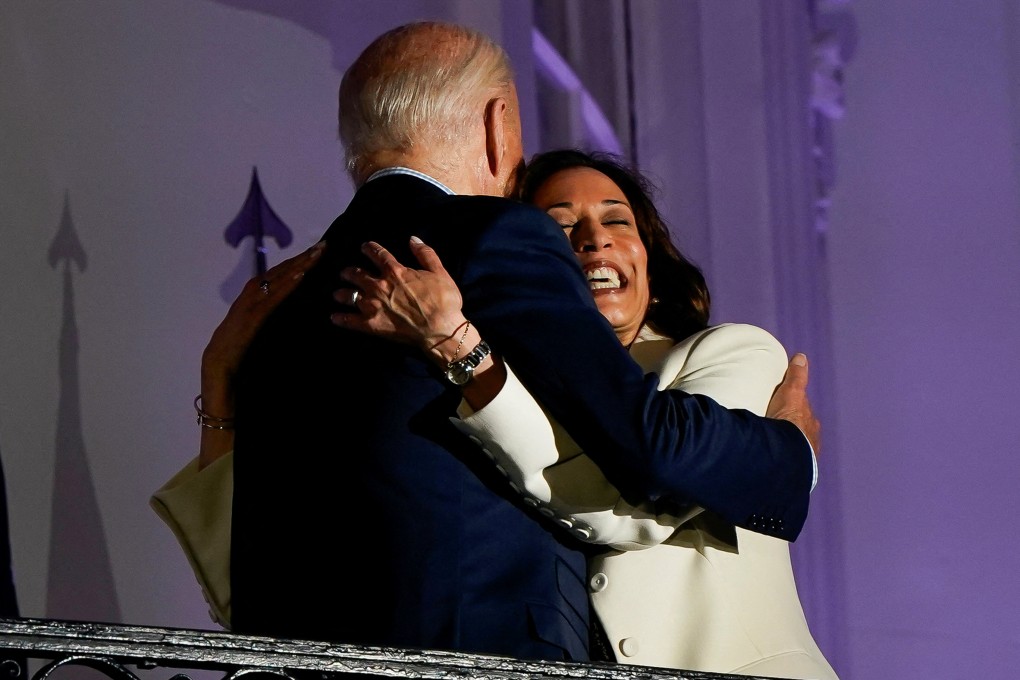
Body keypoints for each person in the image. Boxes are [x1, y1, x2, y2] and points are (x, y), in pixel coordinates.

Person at [171, 20, 818, 662]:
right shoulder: (493, 237)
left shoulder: (281, 305)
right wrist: (791, 453)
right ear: (497, 126)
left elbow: (252, 573)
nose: (585, 244)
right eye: (558, 222)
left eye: (614, 220)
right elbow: (645, 450)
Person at [330, 149, 838, 678]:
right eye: (560, 227)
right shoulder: (498, 390)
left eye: (617, 220)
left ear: (651, 263)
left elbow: (633, 509)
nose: (594, 238)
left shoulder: (736, 351)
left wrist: (463, 353)